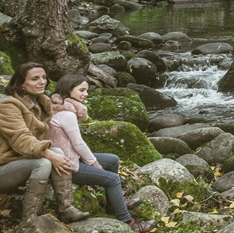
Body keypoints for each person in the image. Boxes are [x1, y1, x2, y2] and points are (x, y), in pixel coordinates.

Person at [0, 62, 90, 223]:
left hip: (23, 163)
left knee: (58, 152)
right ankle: (30, 219)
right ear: (21, 84)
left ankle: (67, 209)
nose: (42, 82)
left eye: (44, 77)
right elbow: (21, 139)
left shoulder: (42, 104)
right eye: (35, 78)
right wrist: (49, 154)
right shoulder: (8, 105)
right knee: (44, 162)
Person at [48, 74, 156, 232]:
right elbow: (79, 144)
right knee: (112, 179)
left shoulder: (57, 106)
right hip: (67, 165)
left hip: (70, 157)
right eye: (81, 90)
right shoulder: (67, 114)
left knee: (112, 160)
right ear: (68, 89)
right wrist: (94, 164)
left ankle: (114, 203)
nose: (86, 94)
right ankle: (128, 222)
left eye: (87, 90)